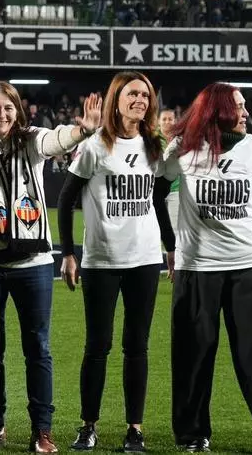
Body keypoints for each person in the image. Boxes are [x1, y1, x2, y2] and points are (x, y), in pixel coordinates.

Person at [157, 83, 252, 455]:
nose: (247, 113)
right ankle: (192, 436)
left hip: (250, 268)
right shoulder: (183, 148)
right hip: (197, 270)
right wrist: (171, 245)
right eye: (239, 106)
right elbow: (158, 193)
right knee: (192, 357)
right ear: (219, 110)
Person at [0, 82, 102, 453]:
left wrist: (83, 130)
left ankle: (42, 430)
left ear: (18, 109)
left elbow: (56, 141)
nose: (2, 115)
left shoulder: (31, 139)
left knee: (38, 348)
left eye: (8, 107)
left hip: (34, 264)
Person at [57, 71, 172, 453]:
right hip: (101, 261)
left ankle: (134, 429)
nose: (140, 100)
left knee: (137, 346)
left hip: (144, 259)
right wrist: (69, 254)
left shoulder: (154, 145)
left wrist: (170, 247)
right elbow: (66, 200)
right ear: (116, 100)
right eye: (132, 93)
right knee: (98, 345)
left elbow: (157, 201)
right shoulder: (94, 146)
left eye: (145, 94)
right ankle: (88, 425)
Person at [158, 109, 181, 238]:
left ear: (175, 121)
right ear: (158, 122)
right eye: (164, 119)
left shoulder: (181, 140)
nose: (167, 122)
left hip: (175, 189)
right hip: (155, 191)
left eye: (170, 119)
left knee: (175, 229)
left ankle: (174, 256)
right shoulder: (151, 140)